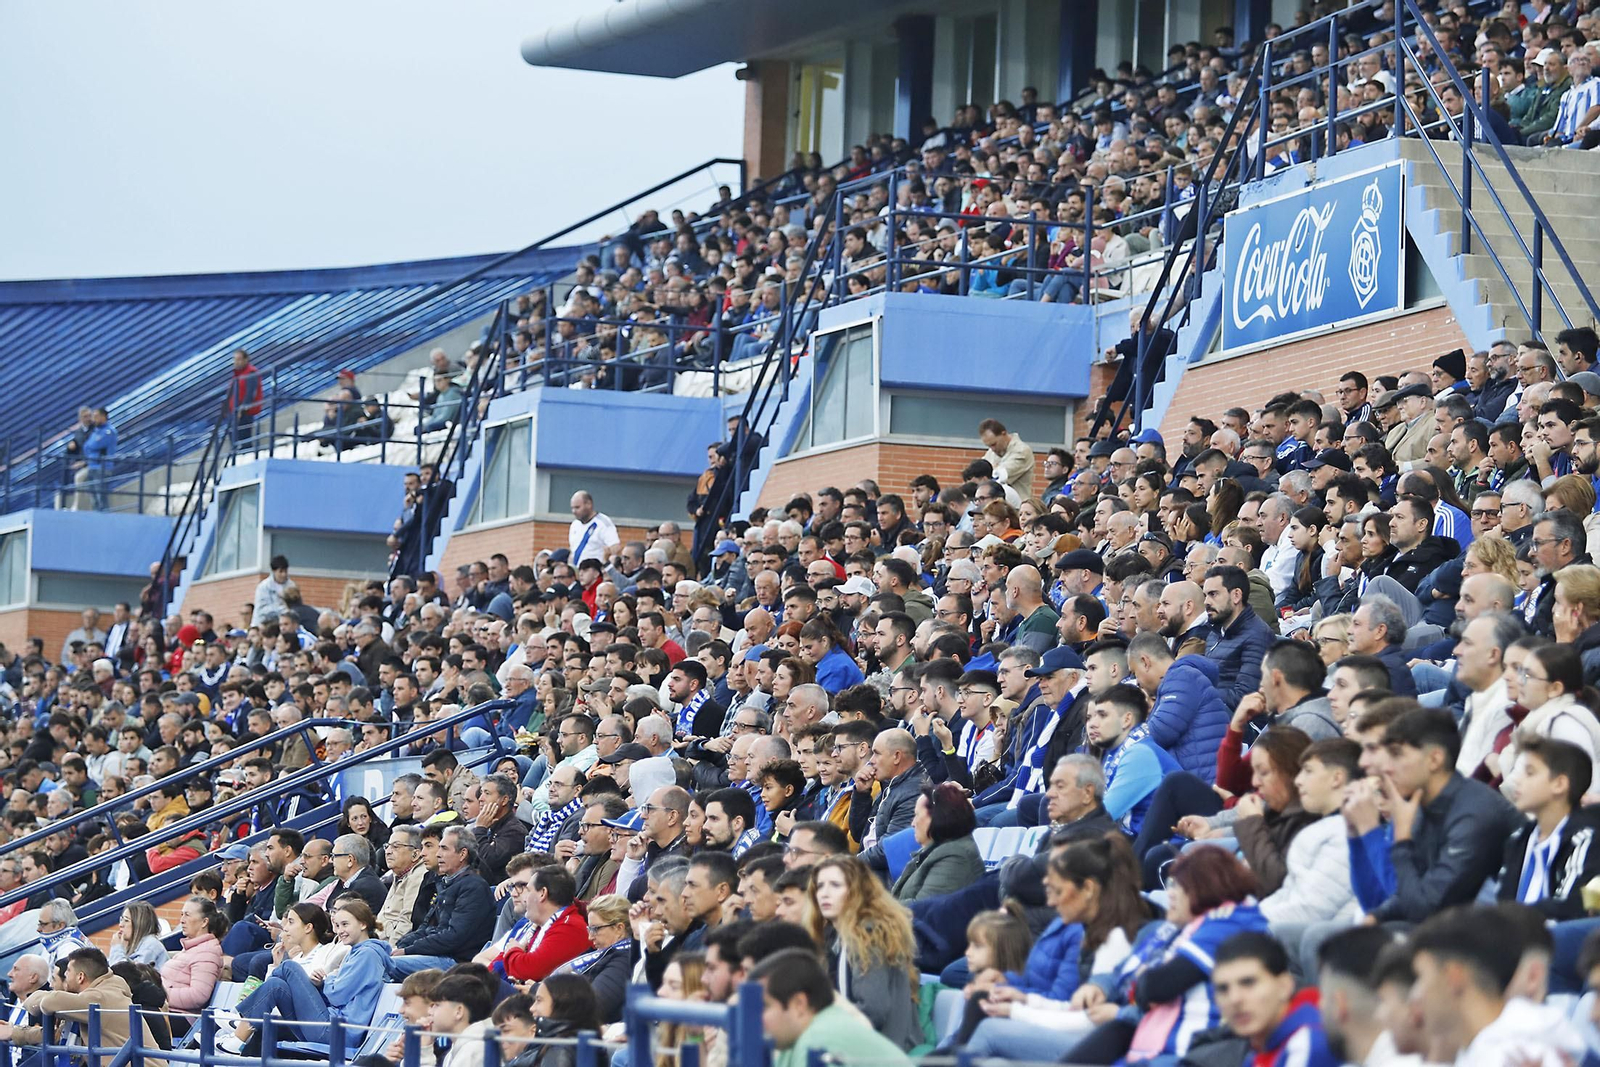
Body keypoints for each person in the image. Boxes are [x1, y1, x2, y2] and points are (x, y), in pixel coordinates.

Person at [1062, 845, 1268, 1064]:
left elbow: (1156, 987)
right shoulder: (1173, 928)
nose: (1170, 894)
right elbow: (1124, 977)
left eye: (1179, 887)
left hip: (1190, 1052)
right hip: (1139, 1035)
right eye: (1171, 885)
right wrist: (1100, 985)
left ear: (1207, 888)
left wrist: (1132, 996)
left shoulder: (1229, 922)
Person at [1366, 705, 1522, 924]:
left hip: (1495, 932)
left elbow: (1429, 908)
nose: (1387, 768)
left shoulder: (1475, 815)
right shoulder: (1423, 805)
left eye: (1397, 755)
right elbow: (1412, 891)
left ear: (1434, 759)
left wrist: (1402, 841)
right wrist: (1376, 916)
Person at [1409, 905, 1589, 1066]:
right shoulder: (1487, 1049)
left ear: (1453, 977)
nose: (1414, 995)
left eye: (1420, 977)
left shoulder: (1515, 1055)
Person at [223, 899, 392, 1052]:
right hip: (329, 1024)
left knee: (288, 967)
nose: (340, 931)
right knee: (276, 985)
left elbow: (337, 995)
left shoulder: (367, 954)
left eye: (345, 924)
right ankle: (238, 1038)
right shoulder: (357, 952)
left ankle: (243, 1018)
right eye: (338, 925)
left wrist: (326, 980)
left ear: (362, 924)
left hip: (338, 1033)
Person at [804, 854, 920, 1049]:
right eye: (820, 886)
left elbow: (872, 1011)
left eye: (835, 885)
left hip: (884, 1049)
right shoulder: (834, 937)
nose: (824, 893)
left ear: (857, 891)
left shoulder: (869, 936)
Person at [748, 947, 914, 1067]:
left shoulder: (818, 1041)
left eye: (764, 1007)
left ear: (799, 1004)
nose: (756, 1018)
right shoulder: (795, 1038)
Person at [0, 948, 165, 1063]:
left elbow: (48, 1002)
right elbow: (57, 1034)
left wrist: (37, 996)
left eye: (68, 971)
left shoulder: (101, 996)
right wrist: (14, 1032)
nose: (65, 975)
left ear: (80, 977)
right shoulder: (89, 998)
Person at [1497, 734, 1600, 917]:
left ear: (1559, 784)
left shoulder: (1585, 839)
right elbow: (1503, 902)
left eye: (1530, 773)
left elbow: (1571, 908)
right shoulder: (1519, 839)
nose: (1517, 781)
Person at [1210, 931, 1338, 1067]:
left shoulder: (1310, 1043)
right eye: (1223, 989)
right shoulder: (1262, 1047)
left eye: (1248, 983)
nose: (1234, 999)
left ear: (1285, 986)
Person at [891, 783, 983, 903]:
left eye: (917, 815)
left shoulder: (955, 856)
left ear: (936, 817)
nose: (913, 823)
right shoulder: (933, 849)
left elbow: (922, 909)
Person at [160, 895, 228, 1013]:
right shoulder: (191, 948)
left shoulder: (207, 953)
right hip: (165, 1009)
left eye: (187, 915)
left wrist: (160, 995)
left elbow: (198, 995)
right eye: (182, 914)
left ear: (204, 922)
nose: (181, 920)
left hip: (179, 1016)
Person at [108, 900, 169, 968]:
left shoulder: (150, 945)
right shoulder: (139, 945)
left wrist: (116, 948)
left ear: (139, 924)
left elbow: (127, 975)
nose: (121, 925)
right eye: (121, 919)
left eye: (126, 920)